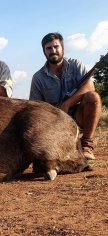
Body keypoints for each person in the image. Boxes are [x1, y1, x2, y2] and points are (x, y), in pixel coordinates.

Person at [29, 32, 102, 160]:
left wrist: (67, 104)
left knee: (93, 97)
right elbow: (35, 107)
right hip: (53, 122)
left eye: (56, 47)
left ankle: (86, 144)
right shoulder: (38, 78)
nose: (53, 51)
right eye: (49, 48)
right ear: (44, 52)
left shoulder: (76, 65)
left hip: (78, 115)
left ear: (62, 48)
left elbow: (90, 86)